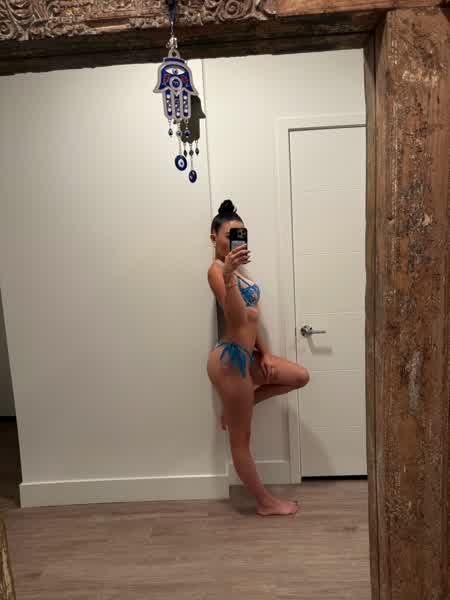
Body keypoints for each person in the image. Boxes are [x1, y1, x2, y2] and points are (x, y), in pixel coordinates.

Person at [207, 200, 310, 516]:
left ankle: (239, 405)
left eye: (240, 235)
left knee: (299, 376)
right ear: (213, 237)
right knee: (241, 440)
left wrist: (264, 352)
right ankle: (265, 503)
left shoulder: (239, 272)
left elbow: (252, 317)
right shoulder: (216, 271)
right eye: (229, 235)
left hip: (247, 355)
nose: (235, 240)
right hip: (229, 361)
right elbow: (237, 319)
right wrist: (228, 276)